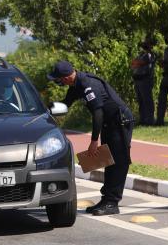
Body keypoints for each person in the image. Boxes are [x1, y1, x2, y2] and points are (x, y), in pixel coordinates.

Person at [47, 61, 133, 216]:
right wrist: (44, 110)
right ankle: (106, 199)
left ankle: (112, 202)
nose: (58, 82)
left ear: (66, 77)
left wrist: (94, 141)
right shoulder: (76, 85)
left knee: (119, 162)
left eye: (58, 79)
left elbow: (98, 113)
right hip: (109, 123)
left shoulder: (88, 84)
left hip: (120, 122)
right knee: (109, 160)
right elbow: (65, 104)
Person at [131, 40, 156, 125]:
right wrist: (137, 63)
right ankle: (142, 119)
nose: (144, 45)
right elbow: (133, 63)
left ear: (151, 46)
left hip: (145, 80)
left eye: (147, 44)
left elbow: (140, 62)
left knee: (147, 100)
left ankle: (150, 120)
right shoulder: (141, 54)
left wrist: (137, 63)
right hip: (138, 79)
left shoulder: (150, 54)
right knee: (140, 100)